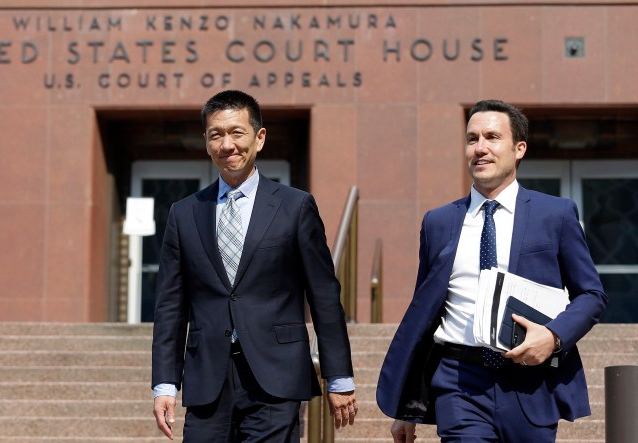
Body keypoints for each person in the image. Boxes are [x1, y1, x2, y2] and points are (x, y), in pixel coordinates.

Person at [376, 99, 607, 442]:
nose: (480, 148)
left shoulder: (555, 215)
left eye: (491, 137)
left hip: (530, 380)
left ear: (519, 149)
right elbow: (425, 314)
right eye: (472, 139)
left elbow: (591, 295)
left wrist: (554, 337)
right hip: (459, 381)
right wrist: (406, 406)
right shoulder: (439, 222)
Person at [151, 89, 358, 442]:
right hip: (207, 380)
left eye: (237, 132)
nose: (227, 144)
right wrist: (164, 383)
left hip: (276, 375)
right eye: (216, 134)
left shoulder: (295, 207)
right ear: (206, 142)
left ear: (259, 138)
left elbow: (324, 296)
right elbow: (170, 305)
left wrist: (338, 376)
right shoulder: (184, 214)